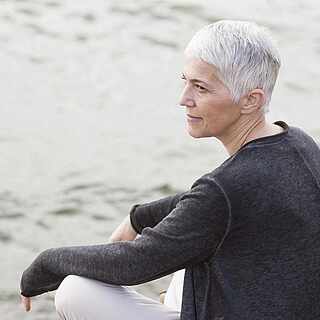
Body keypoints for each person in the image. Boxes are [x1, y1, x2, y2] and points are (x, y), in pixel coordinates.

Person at [20, 20, 320, 320]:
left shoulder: (225, 190)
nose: (183, 98)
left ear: (250, 100)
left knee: (76, 290)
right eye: (185, 81)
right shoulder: (298, 143)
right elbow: (209, 204)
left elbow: (133, 264)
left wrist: (46, 265)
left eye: (200, 88)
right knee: (187, 262)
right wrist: (139, 218)